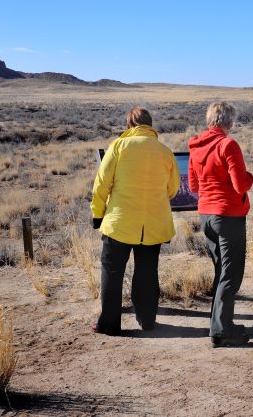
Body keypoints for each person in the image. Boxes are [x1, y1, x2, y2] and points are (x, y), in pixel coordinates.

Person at [91, 107, 180, 335]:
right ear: (150, 125)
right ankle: (147, 320)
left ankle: (109, 324)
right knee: (148, 272)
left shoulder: (119, 146)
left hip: (120, 223)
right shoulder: (165, 151)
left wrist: (97, 213)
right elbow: (173, 189)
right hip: (153, 224)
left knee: (112, 271)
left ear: (130, 124)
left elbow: (102, 183)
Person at [188, 102, 253, 348]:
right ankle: (222, 330)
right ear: (229, 122)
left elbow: (194, 187)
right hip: (228, 216)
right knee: (231, 272)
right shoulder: (228, 144)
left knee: (221, 271)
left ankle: (219, 324)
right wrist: (251, 178)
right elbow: (241, 185)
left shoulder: (196, 147)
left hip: (206, 215)